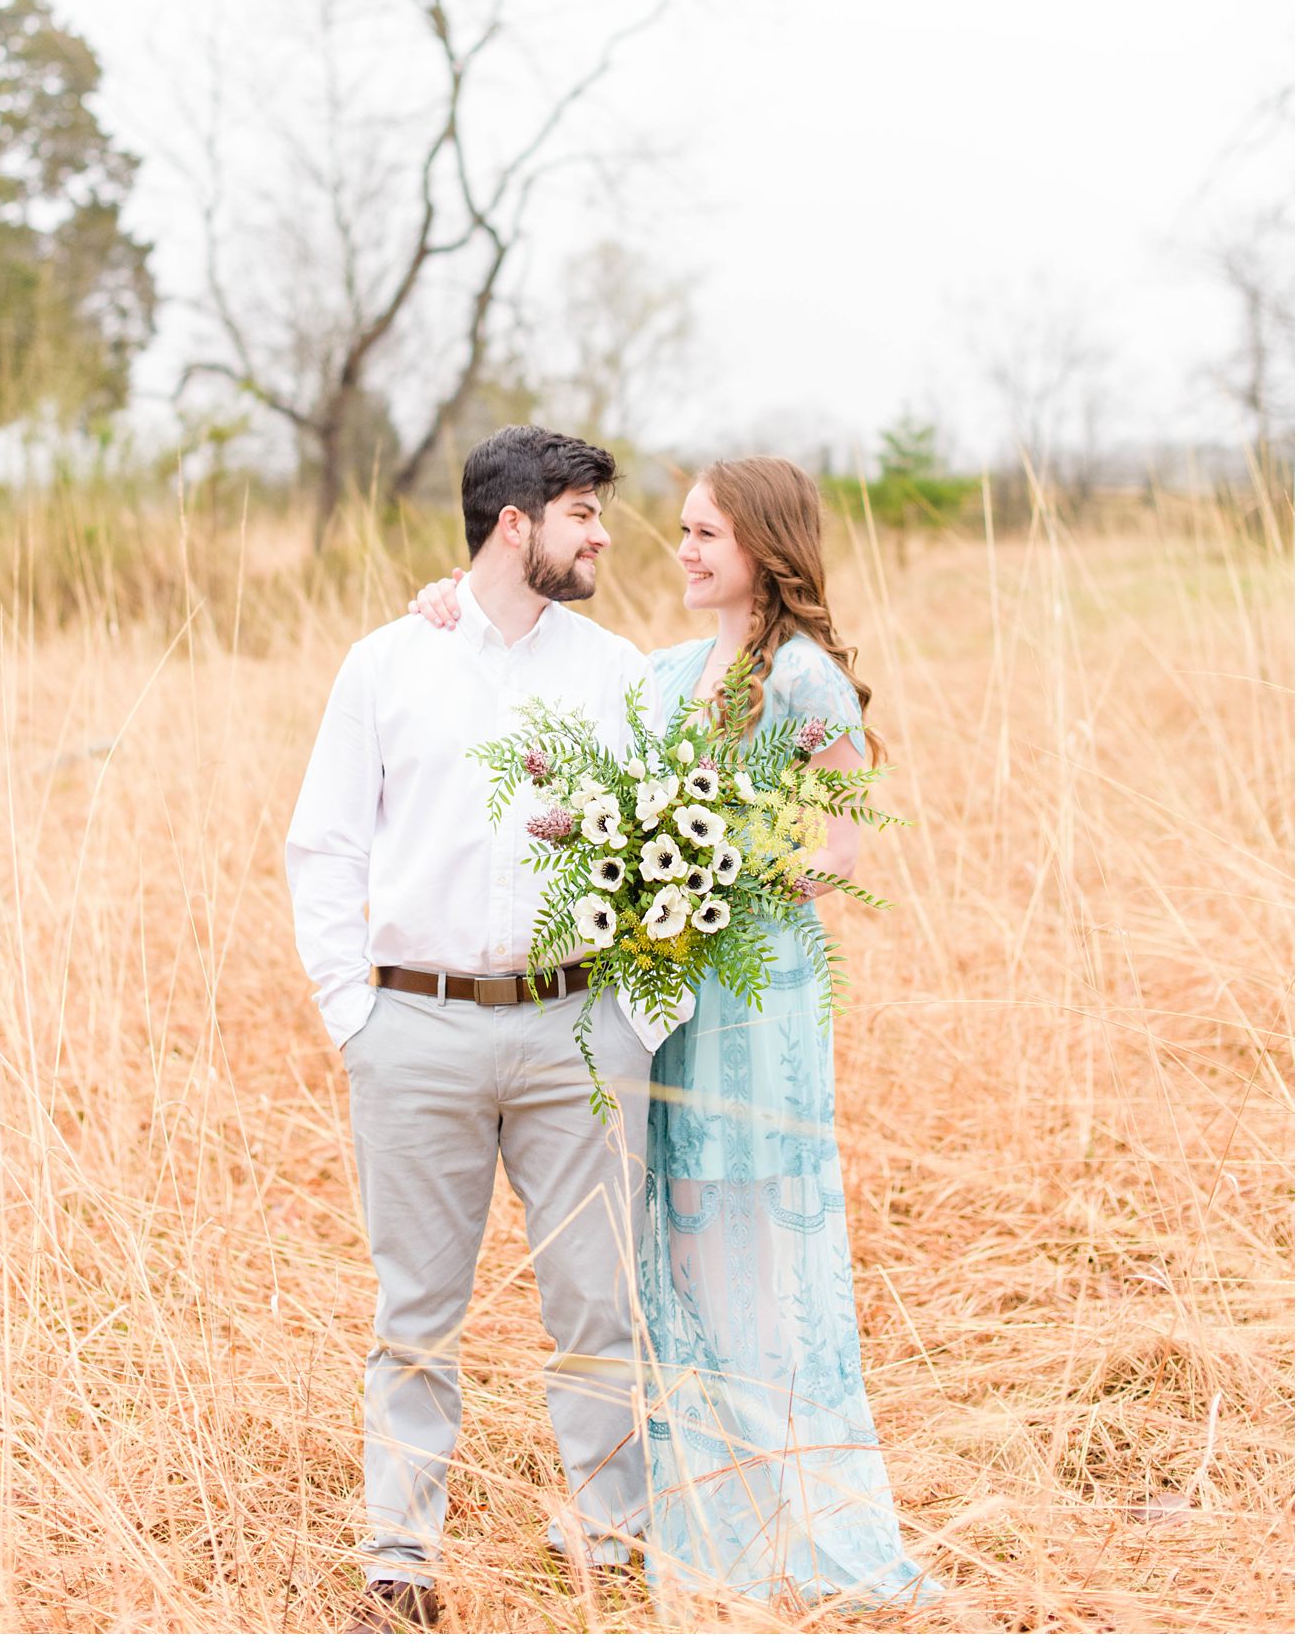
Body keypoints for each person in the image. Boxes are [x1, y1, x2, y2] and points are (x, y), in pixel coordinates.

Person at [409, 455, 942, 1614]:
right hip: (666, 1001)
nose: (683, 549)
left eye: (706, 533)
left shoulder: (804, 682)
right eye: (684, 531)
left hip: (761, 998)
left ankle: (793, 1505)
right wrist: (441, 604)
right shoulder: (658, 678)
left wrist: (705, 858)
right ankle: (703, 1504)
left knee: (759, 1241)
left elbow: (835, 856)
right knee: (678, 1248)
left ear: (764, 544)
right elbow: (544, 698)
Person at [287, 425, 682, 1634]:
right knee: (414, 1310)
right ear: (514, 524)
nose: (603, 533)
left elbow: (667, 845)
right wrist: (356, 1015)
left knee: (598, 1303)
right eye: (581, 513)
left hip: (579, 1033)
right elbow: (324, 845)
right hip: (415, 1028)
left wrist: (640, 1018)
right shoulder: (386, 665)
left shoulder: (616, 669)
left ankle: (613, 1544)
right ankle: (399, 1555)